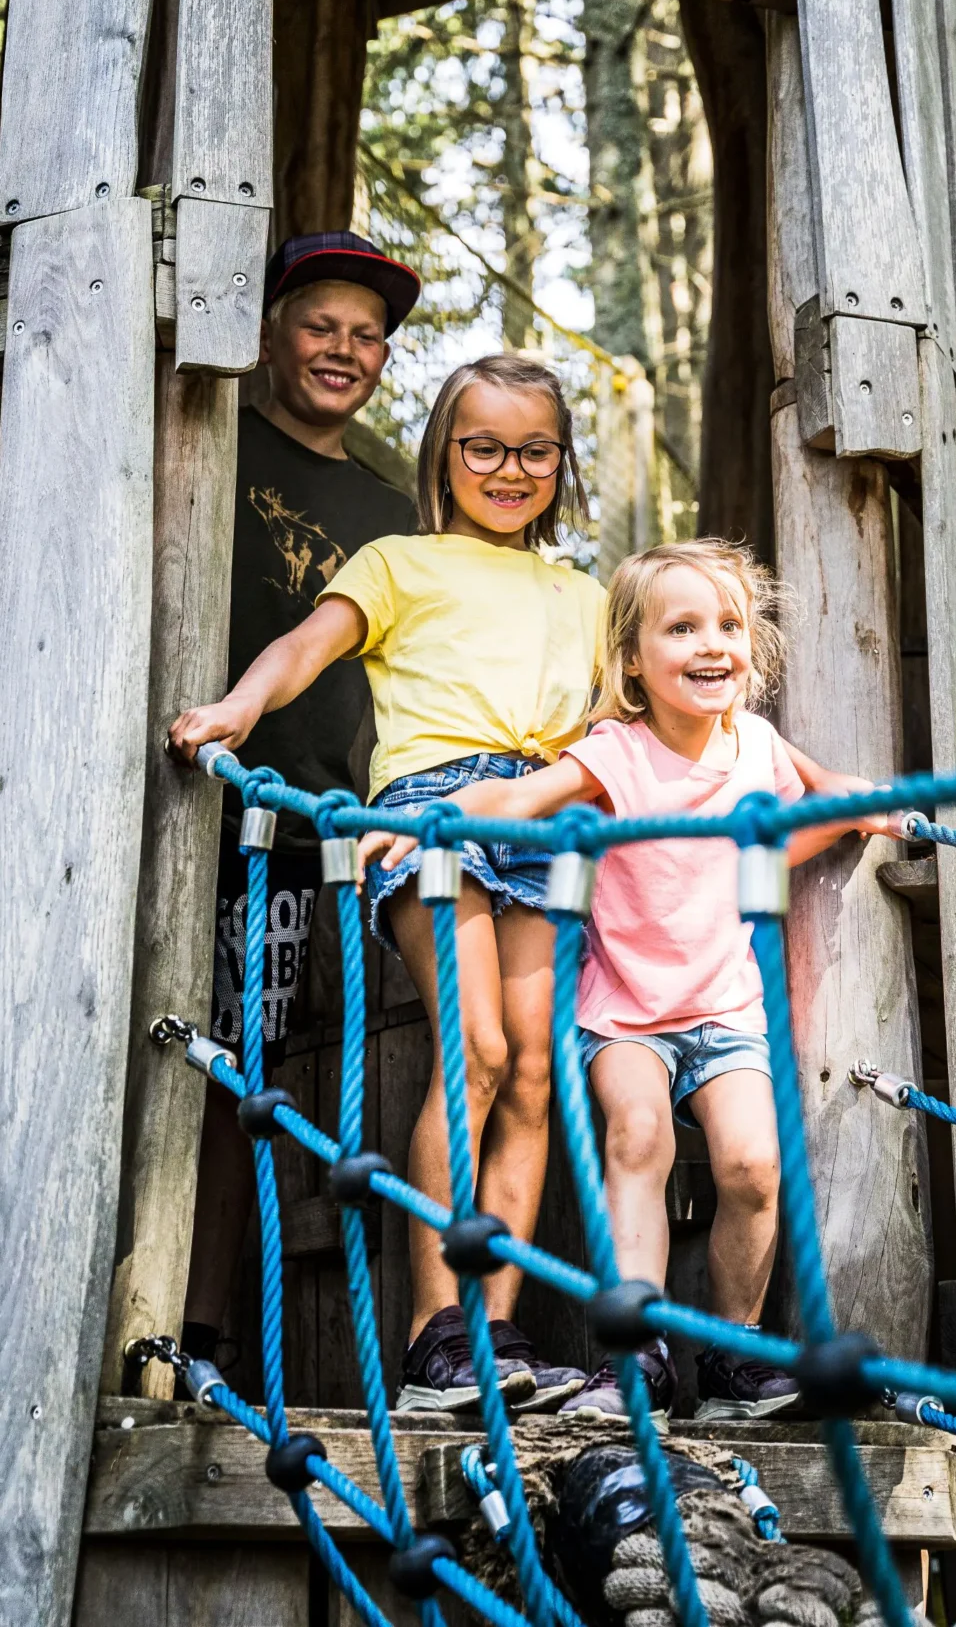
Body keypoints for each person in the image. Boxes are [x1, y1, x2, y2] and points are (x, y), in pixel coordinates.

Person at [362, 538, 898, 1423]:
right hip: (627, 1016)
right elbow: (517, 802)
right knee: (639, 1137)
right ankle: (636, 1358)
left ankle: (733, 1360)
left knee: (753, 1167)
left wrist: (859, 804)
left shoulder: (758, 746)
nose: (711, 644)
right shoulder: (617, 754)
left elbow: (810, 805)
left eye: (729, 625)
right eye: (681, 628)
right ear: (632, 662)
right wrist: (432, 820)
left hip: (726, 1008)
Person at [171, 353, 605, 1414]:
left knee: (540, 1072)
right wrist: (236, 708)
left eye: (534, 449)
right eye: (485, 447)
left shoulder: (587, 592)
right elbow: (309, 646)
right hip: (432, 808)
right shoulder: (399, 562)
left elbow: (618, 722)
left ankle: (494, 1332)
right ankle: (432, 1334)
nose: (510, 469)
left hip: (550, 810)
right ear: (443, 457)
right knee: (481, 1051)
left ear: (563, 462)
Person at [178, 229, 422, 1369]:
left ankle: (204, 1333)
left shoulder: (393, 511)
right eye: (319, 324)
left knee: (252, 1075)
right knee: (186, 1058)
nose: (343, 350)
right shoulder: (199, 442)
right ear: (269, 332)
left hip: (321, 835)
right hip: (186, 801)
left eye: (366, 335)